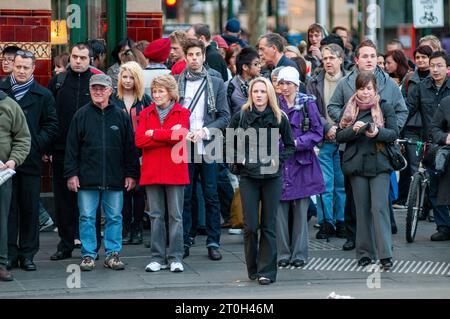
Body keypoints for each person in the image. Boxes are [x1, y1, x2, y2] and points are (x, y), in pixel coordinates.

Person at [328, 39, 408, 251]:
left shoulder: (388, 84)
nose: (369, 60)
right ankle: (355, 238)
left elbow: (402, 111)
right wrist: (347, 121)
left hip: (381, 149)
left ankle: (381, 243)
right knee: (354, 200)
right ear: (356, 59)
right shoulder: (346, 83)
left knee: (381, 201)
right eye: (365, 56)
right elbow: (333, 106)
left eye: (373, 56)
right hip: (353, 149)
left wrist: (391, 129)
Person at [64, 74, 139, 271]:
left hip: (115, 177)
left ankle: (113, 254)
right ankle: (88, 255)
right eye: (95, 88)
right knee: (87, 217)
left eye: (102, 88)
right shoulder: (81, 115)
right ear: (90, 90)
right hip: (87, 177)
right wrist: (72, 174)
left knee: (115, 217)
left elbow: (130, 148)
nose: (98, 91)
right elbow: (71, 148)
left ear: (110, 91)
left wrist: (132, 174)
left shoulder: (121, 116)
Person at [228, 76, 295, 285]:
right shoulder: (241, 116)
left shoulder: (278, 116)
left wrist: (278, 159)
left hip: (272, 177)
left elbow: (290, 145)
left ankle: (268, 271)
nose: (259, 95)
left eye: (263, 91)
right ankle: (253, 268)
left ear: (269, 94)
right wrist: (239, 162)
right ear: (250, 94)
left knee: (268, 225)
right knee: (250, 226)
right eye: (255, 91)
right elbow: (229, 143)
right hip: (248, 176)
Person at [0, 50, 58, 271]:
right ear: (12, 66)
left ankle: (28, 254)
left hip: (31, 161)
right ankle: (8, 253)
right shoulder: (2, 91)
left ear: (33, 69)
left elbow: (52, 126)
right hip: (4, 164)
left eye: (26, 67)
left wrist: (34, 146)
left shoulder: (43, 95)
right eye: (18, 66)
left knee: (29, 208)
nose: (22, 71)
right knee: (8, 209)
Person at [336, 71, 399, 270]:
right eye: (361, 88)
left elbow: (394, 133)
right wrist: (354, 129)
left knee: (379, 208)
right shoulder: (350, 109)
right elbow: (340, 135)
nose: (365, 93)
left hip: (380, 163)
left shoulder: (385, 106)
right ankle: (364, 253)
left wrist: (377, 132)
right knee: (361, 210)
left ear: (375, 89)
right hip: (356, 164)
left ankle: (385, 254)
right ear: (356, 89)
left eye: (369, 88)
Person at [177, 38, 230, 261]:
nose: (195, 59)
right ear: (185, 57)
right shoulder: (177, 82)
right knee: (186, 195)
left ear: (204, 56)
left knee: (211, 193)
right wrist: (181, 130)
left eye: (198, 55)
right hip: (185, 145)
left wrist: (206, 131)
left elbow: (225, 117)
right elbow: (171, 113)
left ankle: (213, 241)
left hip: (208, 144)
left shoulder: (216, 83)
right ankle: (187, 239)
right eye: (190, 55)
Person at [48, 42, 98, 261]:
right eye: (75, 57)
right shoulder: (58, 82)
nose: (78, 61)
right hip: (61, 150)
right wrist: (48, 147)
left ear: (91, 60)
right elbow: (49, 117)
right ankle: (65, 243)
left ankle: (91, 245)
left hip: (91, 152)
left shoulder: (97, 83)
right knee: (63, 200)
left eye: (83, 58)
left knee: (90, 200)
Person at [135, 74, 190, 272]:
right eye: (155, 91)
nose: (157, 95)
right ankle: (157, 257)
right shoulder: (146, 112)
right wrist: (167, 135)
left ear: (170, 92)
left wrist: (155, 134)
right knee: (156, 216)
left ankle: (175, 257)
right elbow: (139, 140)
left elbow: (180, 135)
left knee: (175, 216)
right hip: (152, 171)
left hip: (175, 170)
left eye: (161, 91)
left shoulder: (182, 112)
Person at [276, 67, 325, 269]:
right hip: (279, 163)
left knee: (300, 211)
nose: (285, 87)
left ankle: (300, 254)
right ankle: (282, 253)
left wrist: (297, 143)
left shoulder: (307, 104)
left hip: (301, 163)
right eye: (282, 83)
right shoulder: (274, 104)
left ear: (297, 85)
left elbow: (317, 132)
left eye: (289, 83)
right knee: (279, 212)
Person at [406, 51, 450, 241]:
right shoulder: (420, 87)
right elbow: (408, 110)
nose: (435, 69)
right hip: (431, 143)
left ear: (448, 69)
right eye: (433, 65)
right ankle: (444, 227)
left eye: (439, 65)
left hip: (447, 142)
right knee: (434, 185)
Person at [306, 44, 347, 239]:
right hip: (323, 139)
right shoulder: (314, 82)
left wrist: (339, 127)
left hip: (344, 139)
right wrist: (326, 127)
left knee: (341, 184)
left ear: (341, 59)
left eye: (332, 58)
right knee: (324, 183)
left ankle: (341, 221)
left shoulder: (349, 81)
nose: (328, 62)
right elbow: (311, 109)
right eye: (325, 58)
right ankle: (326, 222)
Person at [113, 61, 151, 245]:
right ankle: (126, 228)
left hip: (142, 151)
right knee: (124, 191)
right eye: (124, 77)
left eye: (131, 77)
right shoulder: (113, 98)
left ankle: (138, 229)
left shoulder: (144, 100)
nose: (127, 81)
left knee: (138, 191)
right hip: (120, 151)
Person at [396, 45, 433, 207]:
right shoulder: (409, 78)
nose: (421, 60)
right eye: (418, 57)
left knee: (432, 167)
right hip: (411, 129)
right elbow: (403, 105)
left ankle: (430, 204)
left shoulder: (436, 78)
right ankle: (417, 204)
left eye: (424, 57)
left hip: (431, 129)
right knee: (413, 168)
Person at [0, 89, 31, 281]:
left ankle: (1, 263)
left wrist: (13, 160)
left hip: (2, 174)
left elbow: (23, 137)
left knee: (1, 219)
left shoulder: (10, 105)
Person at [430, 95, 450, 240]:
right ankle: (443, 226)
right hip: (448, 153)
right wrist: (445, 137)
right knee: (436, 182)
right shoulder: (446, 102)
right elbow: (435, 128)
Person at [225, 47, 261, 116]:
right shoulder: (229, 86)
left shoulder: (263, 84)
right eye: (256, 64)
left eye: (260, 63)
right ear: (245, 67)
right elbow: (226, 115)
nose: (259, 66)